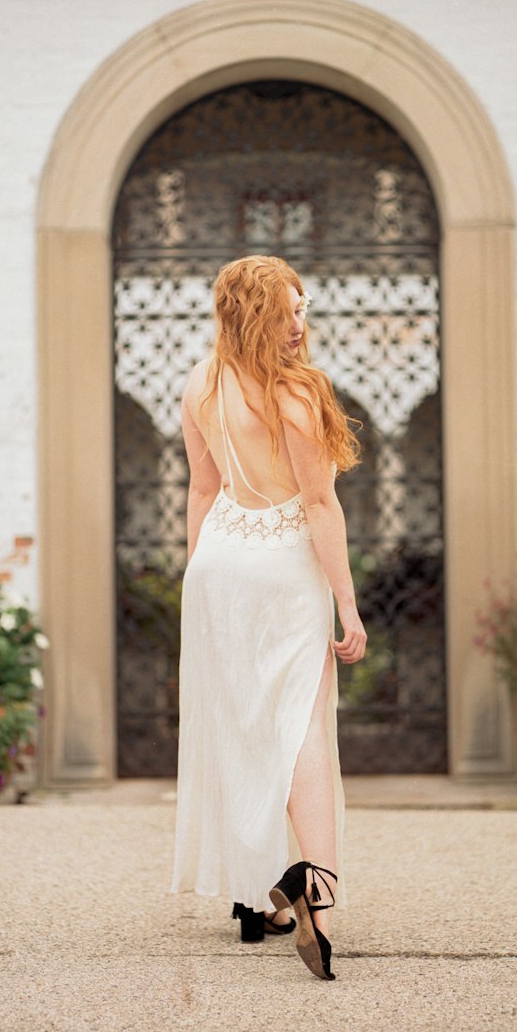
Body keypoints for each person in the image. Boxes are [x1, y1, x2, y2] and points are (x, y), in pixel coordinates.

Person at [170, 254, 367, 981]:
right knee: (301, 727)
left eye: (302, 307)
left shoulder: (200, 384)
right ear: (255, 316)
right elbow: (319, 505)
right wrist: (347, 601)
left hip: (220, 565)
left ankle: (262, 899)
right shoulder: (295, 395)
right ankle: (316, 884)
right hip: (284, 569)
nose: (299, 325)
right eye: (286, 311)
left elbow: (202, 487)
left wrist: (199, 575)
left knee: (247, 726)